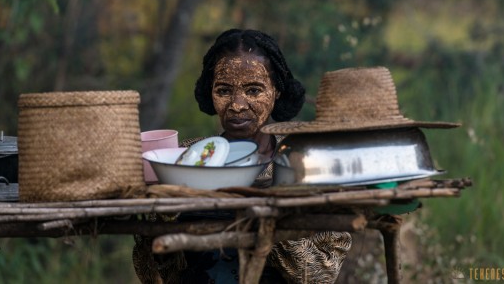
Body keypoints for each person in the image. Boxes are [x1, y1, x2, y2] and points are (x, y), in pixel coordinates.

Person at [133, 29, 352, 283]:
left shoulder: (305, 163)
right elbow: (150, 273)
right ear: (210, 91)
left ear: (277, 91)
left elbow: (322, 274)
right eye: (224, 91)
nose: (237, 104)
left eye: (253, 90)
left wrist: (271, 223)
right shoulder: (185, 159)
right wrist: (165, 214)